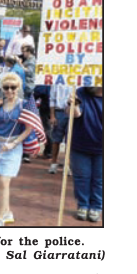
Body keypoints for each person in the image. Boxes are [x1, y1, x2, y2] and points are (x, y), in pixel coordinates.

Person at [0, 72, 40, 226]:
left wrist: (14, 143)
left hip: (13, 146)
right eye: (6, 87)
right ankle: (8, 212)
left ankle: (0, 217)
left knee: (4, 181)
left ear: (19, 87)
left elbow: (28, 129)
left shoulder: (24, 105)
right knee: (2, 180)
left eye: (13, 87)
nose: (9, 90)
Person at [68, 85, 103, 222]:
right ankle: (82, 205)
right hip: (80, 144)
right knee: (81, 178)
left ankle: (96, 207)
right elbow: (75, 114)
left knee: (99, 180)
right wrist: (73, 104)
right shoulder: (80, 91)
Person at [47, 74, 71, 172]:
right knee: (56, 139)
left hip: (72, 112)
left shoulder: (77, 79)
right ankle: (53, 163)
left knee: (69, 140)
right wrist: (52, 116)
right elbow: (52, 99)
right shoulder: (57, 80)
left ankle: (67, 165)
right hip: (59, 111)